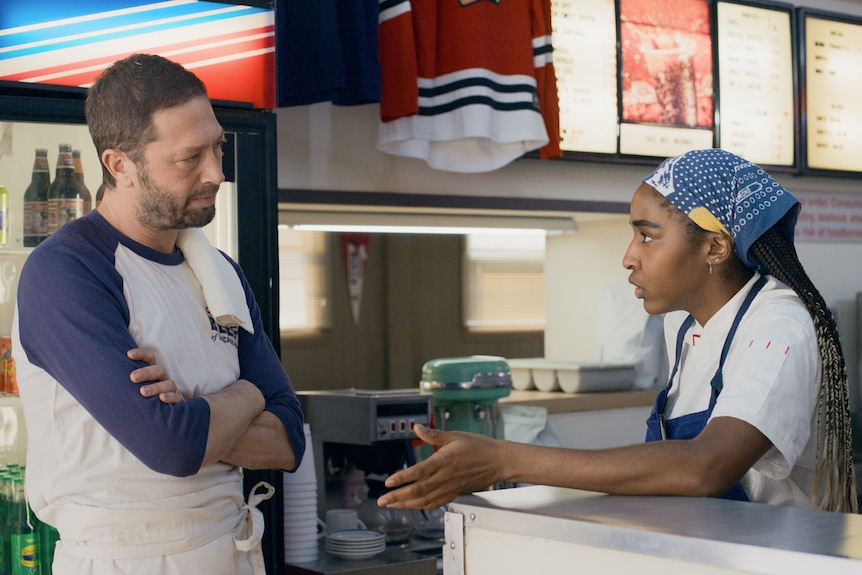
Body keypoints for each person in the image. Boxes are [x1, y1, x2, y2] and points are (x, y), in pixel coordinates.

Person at [377, 148, 858, 514]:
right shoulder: (684, 325)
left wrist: (505, 459)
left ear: (714, 248)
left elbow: (706, 467)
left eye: (647, 236)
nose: (630, 256)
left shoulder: (779, 328)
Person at [12, 54, 305, 574]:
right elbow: (170, 446)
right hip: (124, 560)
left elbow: (288, 440)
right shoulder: (66, 271)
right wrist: (248, 392)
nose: (217, 172)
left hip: (232, 548)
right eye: (189, 157)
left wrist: (194, 412)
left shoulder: (218, 271)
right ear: (119, 164)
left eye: (218, 146)